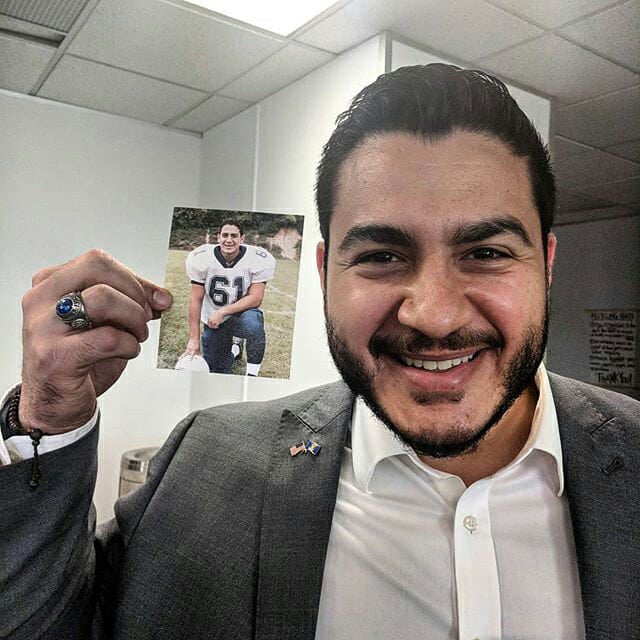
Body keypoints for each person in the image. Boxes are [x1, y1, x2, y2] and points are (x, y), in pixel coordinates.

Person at [1, 64, 638, 639]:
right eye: (382, 256)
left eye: (487, 253)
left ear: (546, 265)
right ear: (325, 271)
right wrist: (50, 417)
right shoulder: (204, 466)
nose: (436, 315)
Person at [181, 219, 276, 376]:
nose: (229, 240)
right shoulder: (201, 257)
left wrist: (223, 312)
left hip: (240, 314)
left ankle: (252, 375)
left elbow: (255, 298)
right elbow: (195, 299)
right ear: (218, 237)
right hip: (213, 320)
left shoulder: (257, 258)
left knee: (254, 322)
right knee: (217, 370)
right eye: (225, 235)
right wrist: (194, 339)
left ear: (242, 238)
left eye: (234, 236)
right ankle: (235, 349)